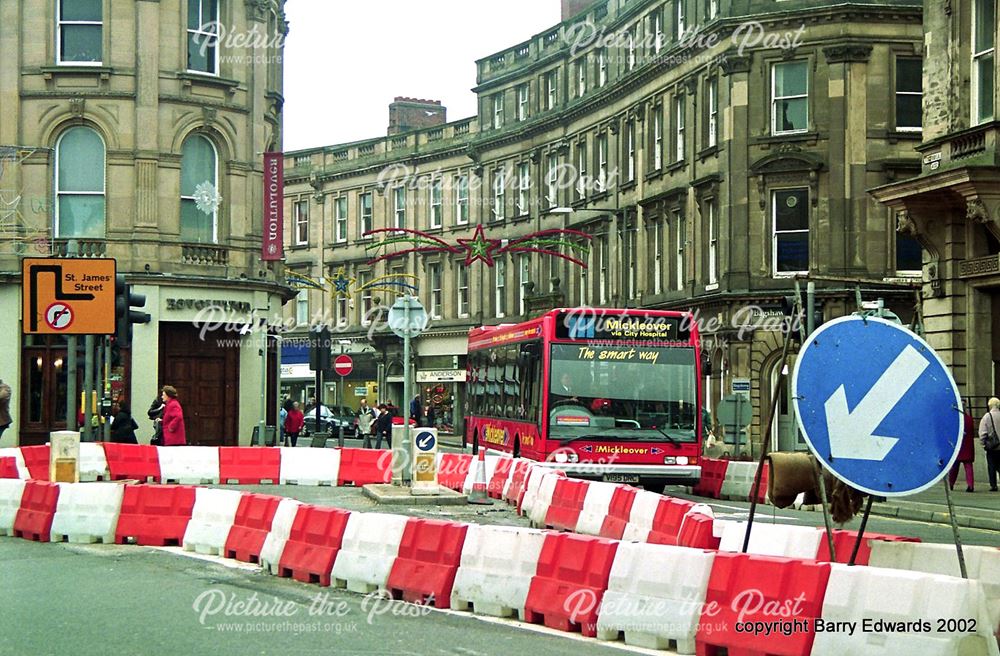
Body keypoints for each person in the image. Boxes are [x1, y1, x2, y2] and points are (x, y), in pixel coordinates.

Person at [949, 411, 977, 492]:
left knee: (954, 467)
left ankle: (951, 483)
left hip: (958, 446)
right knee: (968, 467)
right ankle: (970, 485)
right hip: (968, 446)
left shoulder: (955, 419)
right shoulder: (969, 419)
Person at [979, 397, 1000, 492]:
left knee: (991, 466)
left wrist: (983, 443)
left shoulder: (987, 416)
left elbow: (983, 432)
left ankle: (993, 485)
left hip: (992, 446)